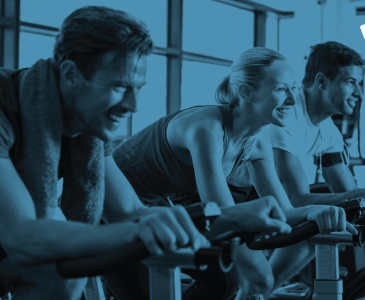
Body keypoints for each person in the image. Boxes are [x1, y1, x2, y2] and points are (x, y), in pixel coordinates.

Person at [0, 6, 298, 300]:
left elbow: (130, 213)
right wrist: (136, 232)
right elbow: (22, 238)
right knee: (58, 269)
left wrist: (229, 217)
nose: (133, 106)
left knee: (60, 276)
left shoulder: (88, 126)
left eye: (137, 89)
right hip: (13, 239)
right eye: (119, 87)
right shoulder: (6, 110)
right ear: (70, 75)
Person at [112, 47, 357, 300]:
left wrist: (312, 212)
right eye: (281, 89)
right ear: (246, 92)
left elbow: (283, 211)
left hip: (157, 207)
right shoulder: (207, 129)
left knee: (238, 280)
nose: (293, 101)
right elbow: (223, 215)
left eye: (292, 88)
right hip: (113, 203)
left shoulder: (258, 140)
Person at [234, 42, 365, 296]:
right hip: (238, 202)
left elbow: (349, 194)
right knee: (311, 232)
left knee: (319, 232)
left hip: (268, 207)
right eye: (351, 82)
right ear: (321, 81)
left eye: (360, 84)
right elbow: (297, 200)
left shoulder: (329, 133)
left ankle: (258, 292)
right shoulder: (285, 113)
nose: (359, 92)